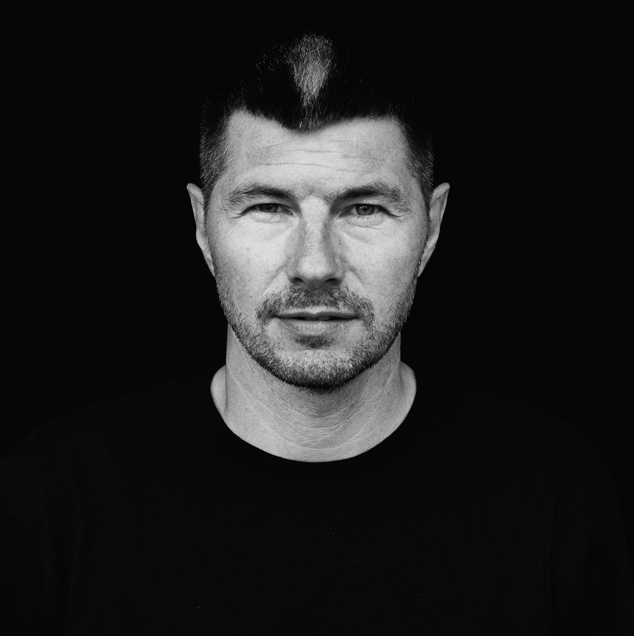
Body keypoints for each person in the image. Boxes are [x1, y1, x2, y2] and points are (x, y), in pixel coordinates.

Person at [1, 32, 632, 635]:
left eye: (364, 208)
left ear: (432, 228)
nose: (315, 265)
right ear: (202, 226)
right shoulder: (54, 500)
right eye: (267, 207)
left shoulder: (552, 493)